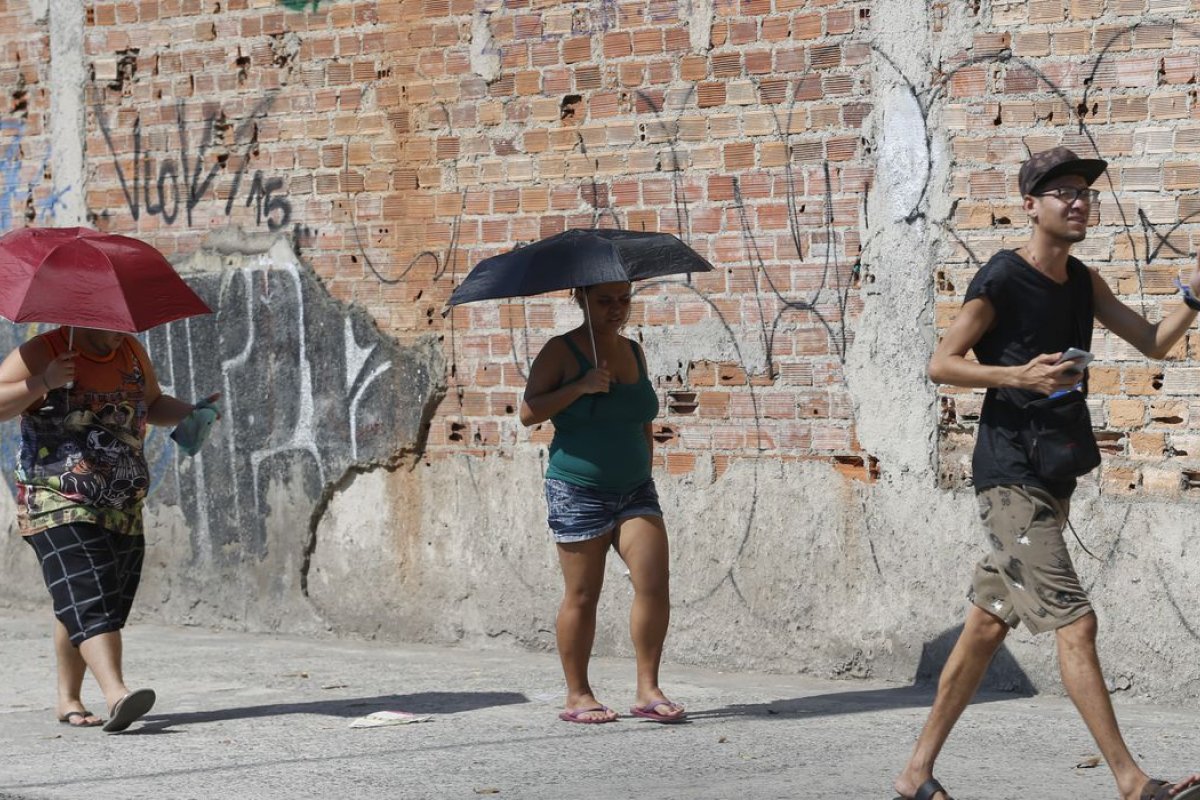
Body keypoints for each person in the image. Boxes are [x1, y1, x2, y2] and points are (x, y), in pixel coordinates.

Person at [893, 147, 1200, 800]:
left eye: (1084, 192)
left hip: (1052, 477)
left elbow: (1153, 342)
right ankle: (1132, 782)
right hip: (1008, 480)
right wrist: (1016, 374)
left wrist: (1194, 298)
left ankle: (915, 773)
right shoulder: (1002, 278)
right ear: (1031, 205)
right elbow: (941, 363)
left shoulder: (1084, 282)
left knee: (983, 629)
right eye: (1061, 191)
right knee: (1076, 623)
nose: (1078, 200)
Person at [0, 325, 218, 733]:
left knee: (86, 596)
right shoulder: (43, 350)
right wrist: (43, 381)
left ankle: (68, 698)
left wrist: (190, 412)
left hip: (121, 504)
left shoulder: (131, 352)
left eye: (125, 326)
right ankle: (117, 694)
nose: (121, 332)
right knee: (90, 590)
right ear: (83, 315)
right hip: (55, 499)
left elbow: (151, 404)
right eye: (111, 326)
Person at [519, 281, 684, 724]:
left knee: (653, 584)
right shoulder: (561, 351)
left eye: (623, 300)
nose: (616, 309)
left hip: (634, 489)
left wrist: (645, 469)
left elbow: (642, 419)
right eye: (604, 300)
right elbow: (529, 412)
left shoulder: (634, 352)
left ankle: (648, 689)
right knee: (583, 594)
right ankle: (578, 695)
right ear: (582, 300)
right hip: (577, 489)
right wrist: (581, 386)